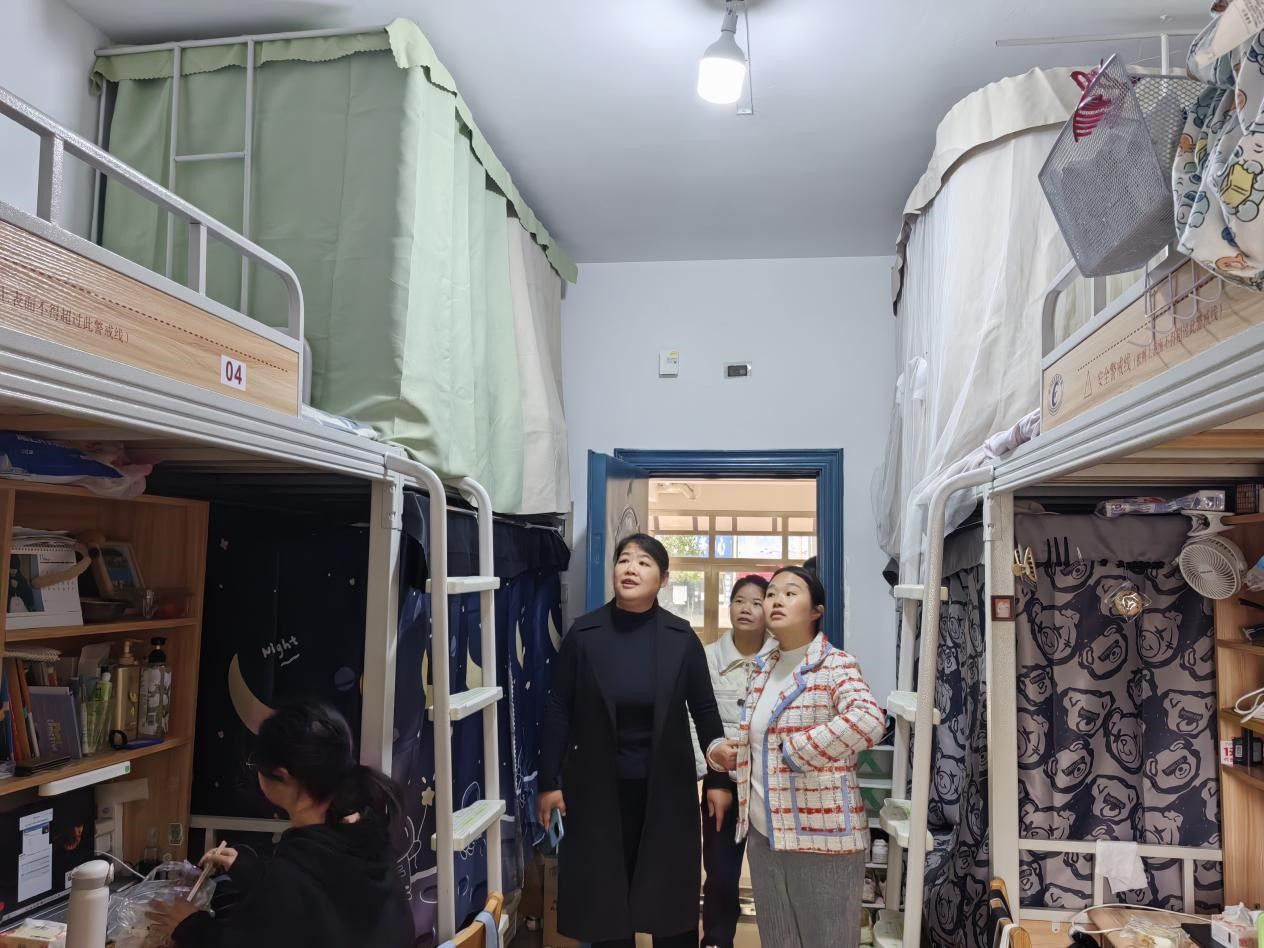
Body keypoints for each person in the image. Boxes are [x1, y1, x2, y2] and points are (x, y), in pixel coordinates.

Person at [538, 533, 734, 948]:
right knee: (606, 902)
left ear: (663, 578)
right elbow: (558, 709)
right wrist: (549, 783)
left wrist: (718, 779)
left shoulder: (681, 638)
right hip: (597, 790)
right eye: (624, 560)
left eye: (644, 563)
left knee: (670, 899)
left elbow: (704, 710)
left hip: (666, 790)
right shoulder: (584, 634)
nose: (631, 569)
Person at [154, 700, 413, 947]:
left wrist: (191, 926)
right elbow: (319, 910)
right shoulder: (367, 836)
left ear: (281, 776)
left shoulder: (294, 873)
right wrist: (253, 872)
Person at [728, 566, 885, 948]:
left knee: (827, 941)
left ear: (816, 610)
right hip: (764, 835)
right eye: (771, 593)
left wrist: (798, 751)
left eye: (790, 592)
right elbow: (763, 740)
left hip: (821, 839)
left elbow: (869, 720)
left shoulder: (835, 664)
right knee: (778, 940)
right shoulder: (763, 669)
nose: (776, 600)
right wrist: (735, 754)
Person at [692, 575, 772, 948]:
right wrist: (713, 779)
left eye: (756, 602)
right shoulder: (707, 658)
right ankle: (716, 940)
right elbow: (693, 718)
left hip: (770, 783)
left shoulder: (782, 659)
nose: (746, 608)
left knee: (773, 874)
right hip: (722, 781)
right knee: (721, 873)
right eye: (739, 600)